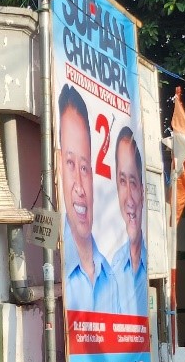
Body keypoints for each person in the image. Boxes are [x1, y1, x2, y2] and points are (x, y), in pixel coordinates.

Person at [58, 84, 117, 312]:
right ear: (58, 166)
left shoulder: (109, 276)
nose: (80, 187)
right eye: (70, 164)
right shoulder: (54, 263)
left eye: (84, 168)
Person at [111, 127, 149, 317]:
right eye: (122, 181)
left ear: (142, 191)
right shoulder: (112, 268)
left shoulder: (154, 265)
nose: (129, 199)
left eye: (132, 182)